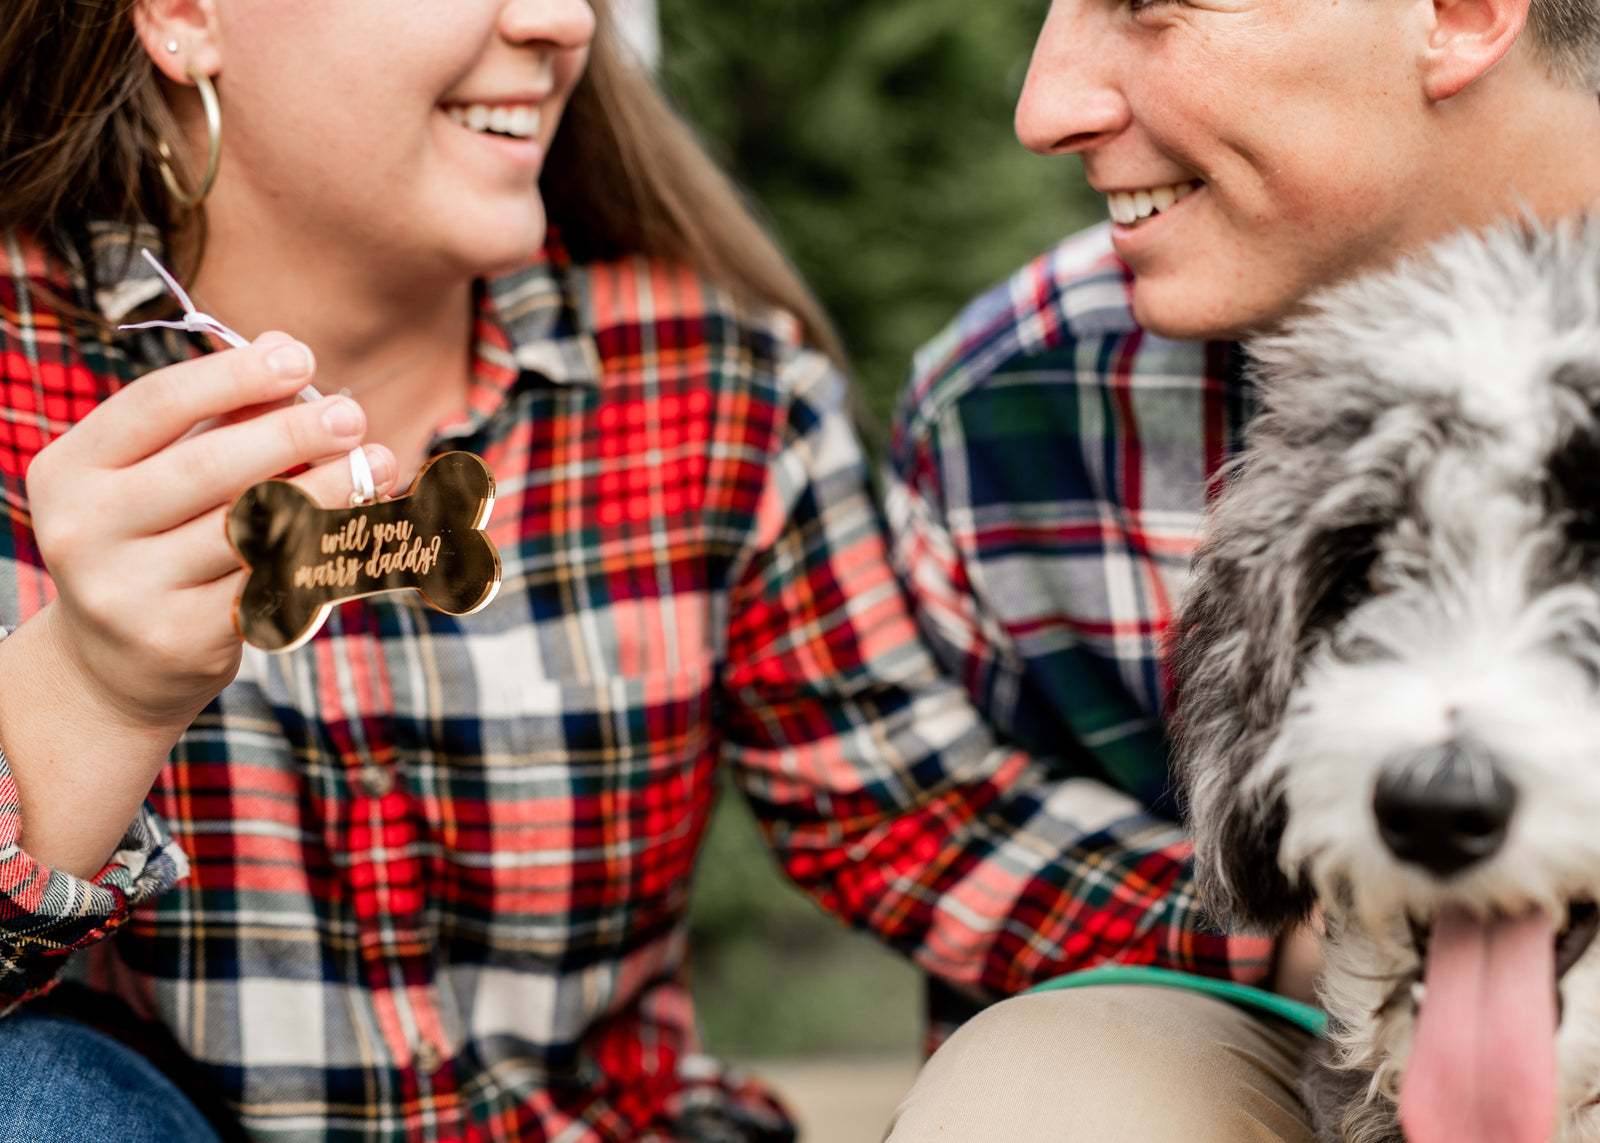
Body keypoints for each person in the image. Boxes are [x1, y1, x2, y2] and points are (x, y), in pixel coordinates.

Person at [0, 2, 1275, 1141]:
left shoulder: (709, 386)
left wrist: (1304, 935)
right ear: (180, 15)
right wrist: (94, 693)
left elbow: (911, 815)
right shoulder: (21, 387)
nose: (564, 22)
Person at [880, 0, 1600, 1139]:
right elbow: (916, 815)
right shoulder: (1016, 404)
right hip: (1301, 1041)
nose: (1044, 106)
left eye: (1151, 1)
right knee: (1047, 1095)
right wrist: (1283, 925)